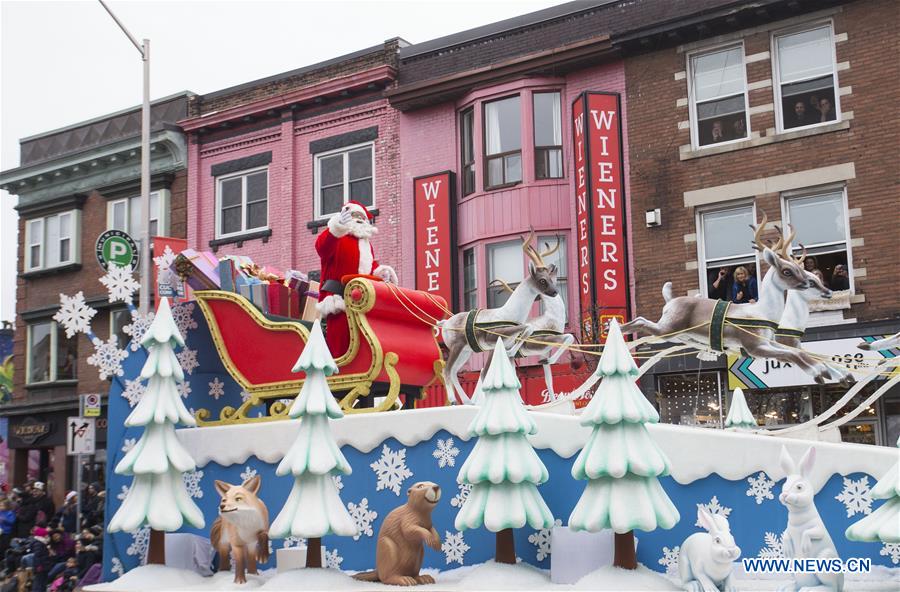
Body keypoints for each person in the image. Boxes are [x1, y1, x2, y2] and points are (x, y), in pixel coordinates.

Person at [315, 201, 397, 356]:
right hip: (339, 300)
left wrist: (380, 273)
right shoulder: (337, 236)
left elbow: (369, 266)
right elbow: (322, 247)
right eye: (354, 215)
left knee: (364, 348)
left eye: (362, 217)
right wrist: (337, 226)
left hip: (362, 303)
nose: (358, 219)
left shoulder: (366, 244)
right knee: (341, 347)